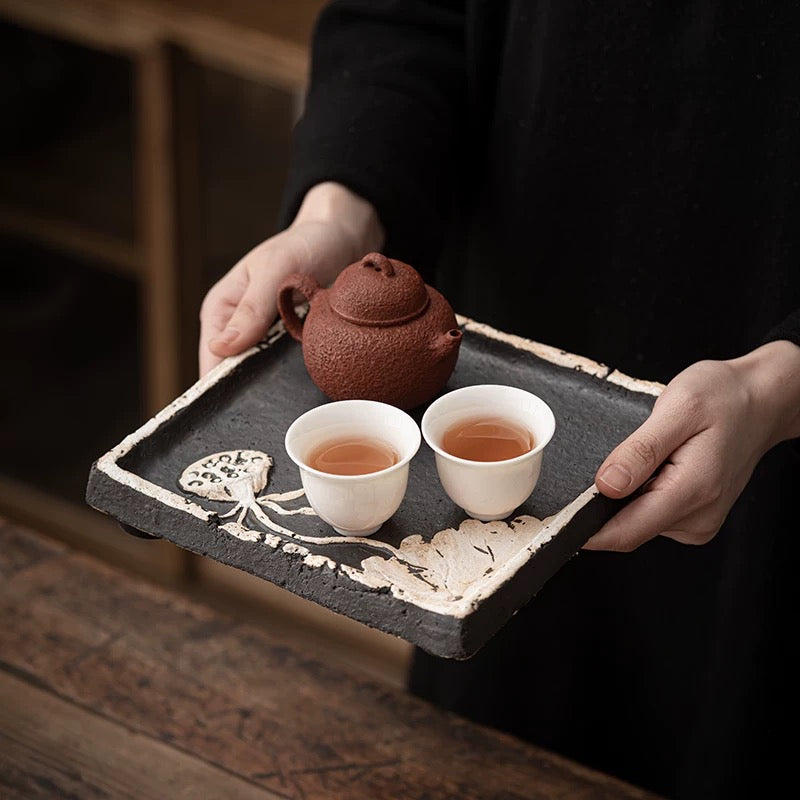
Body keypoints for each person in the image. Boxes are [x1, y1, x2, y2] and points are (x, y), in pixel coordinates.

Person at [198, 3, 800, 798]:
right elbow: (406, 16)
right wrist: (339, 212)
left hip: (773, 468)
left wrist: (780, 385)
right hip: (489, 399)